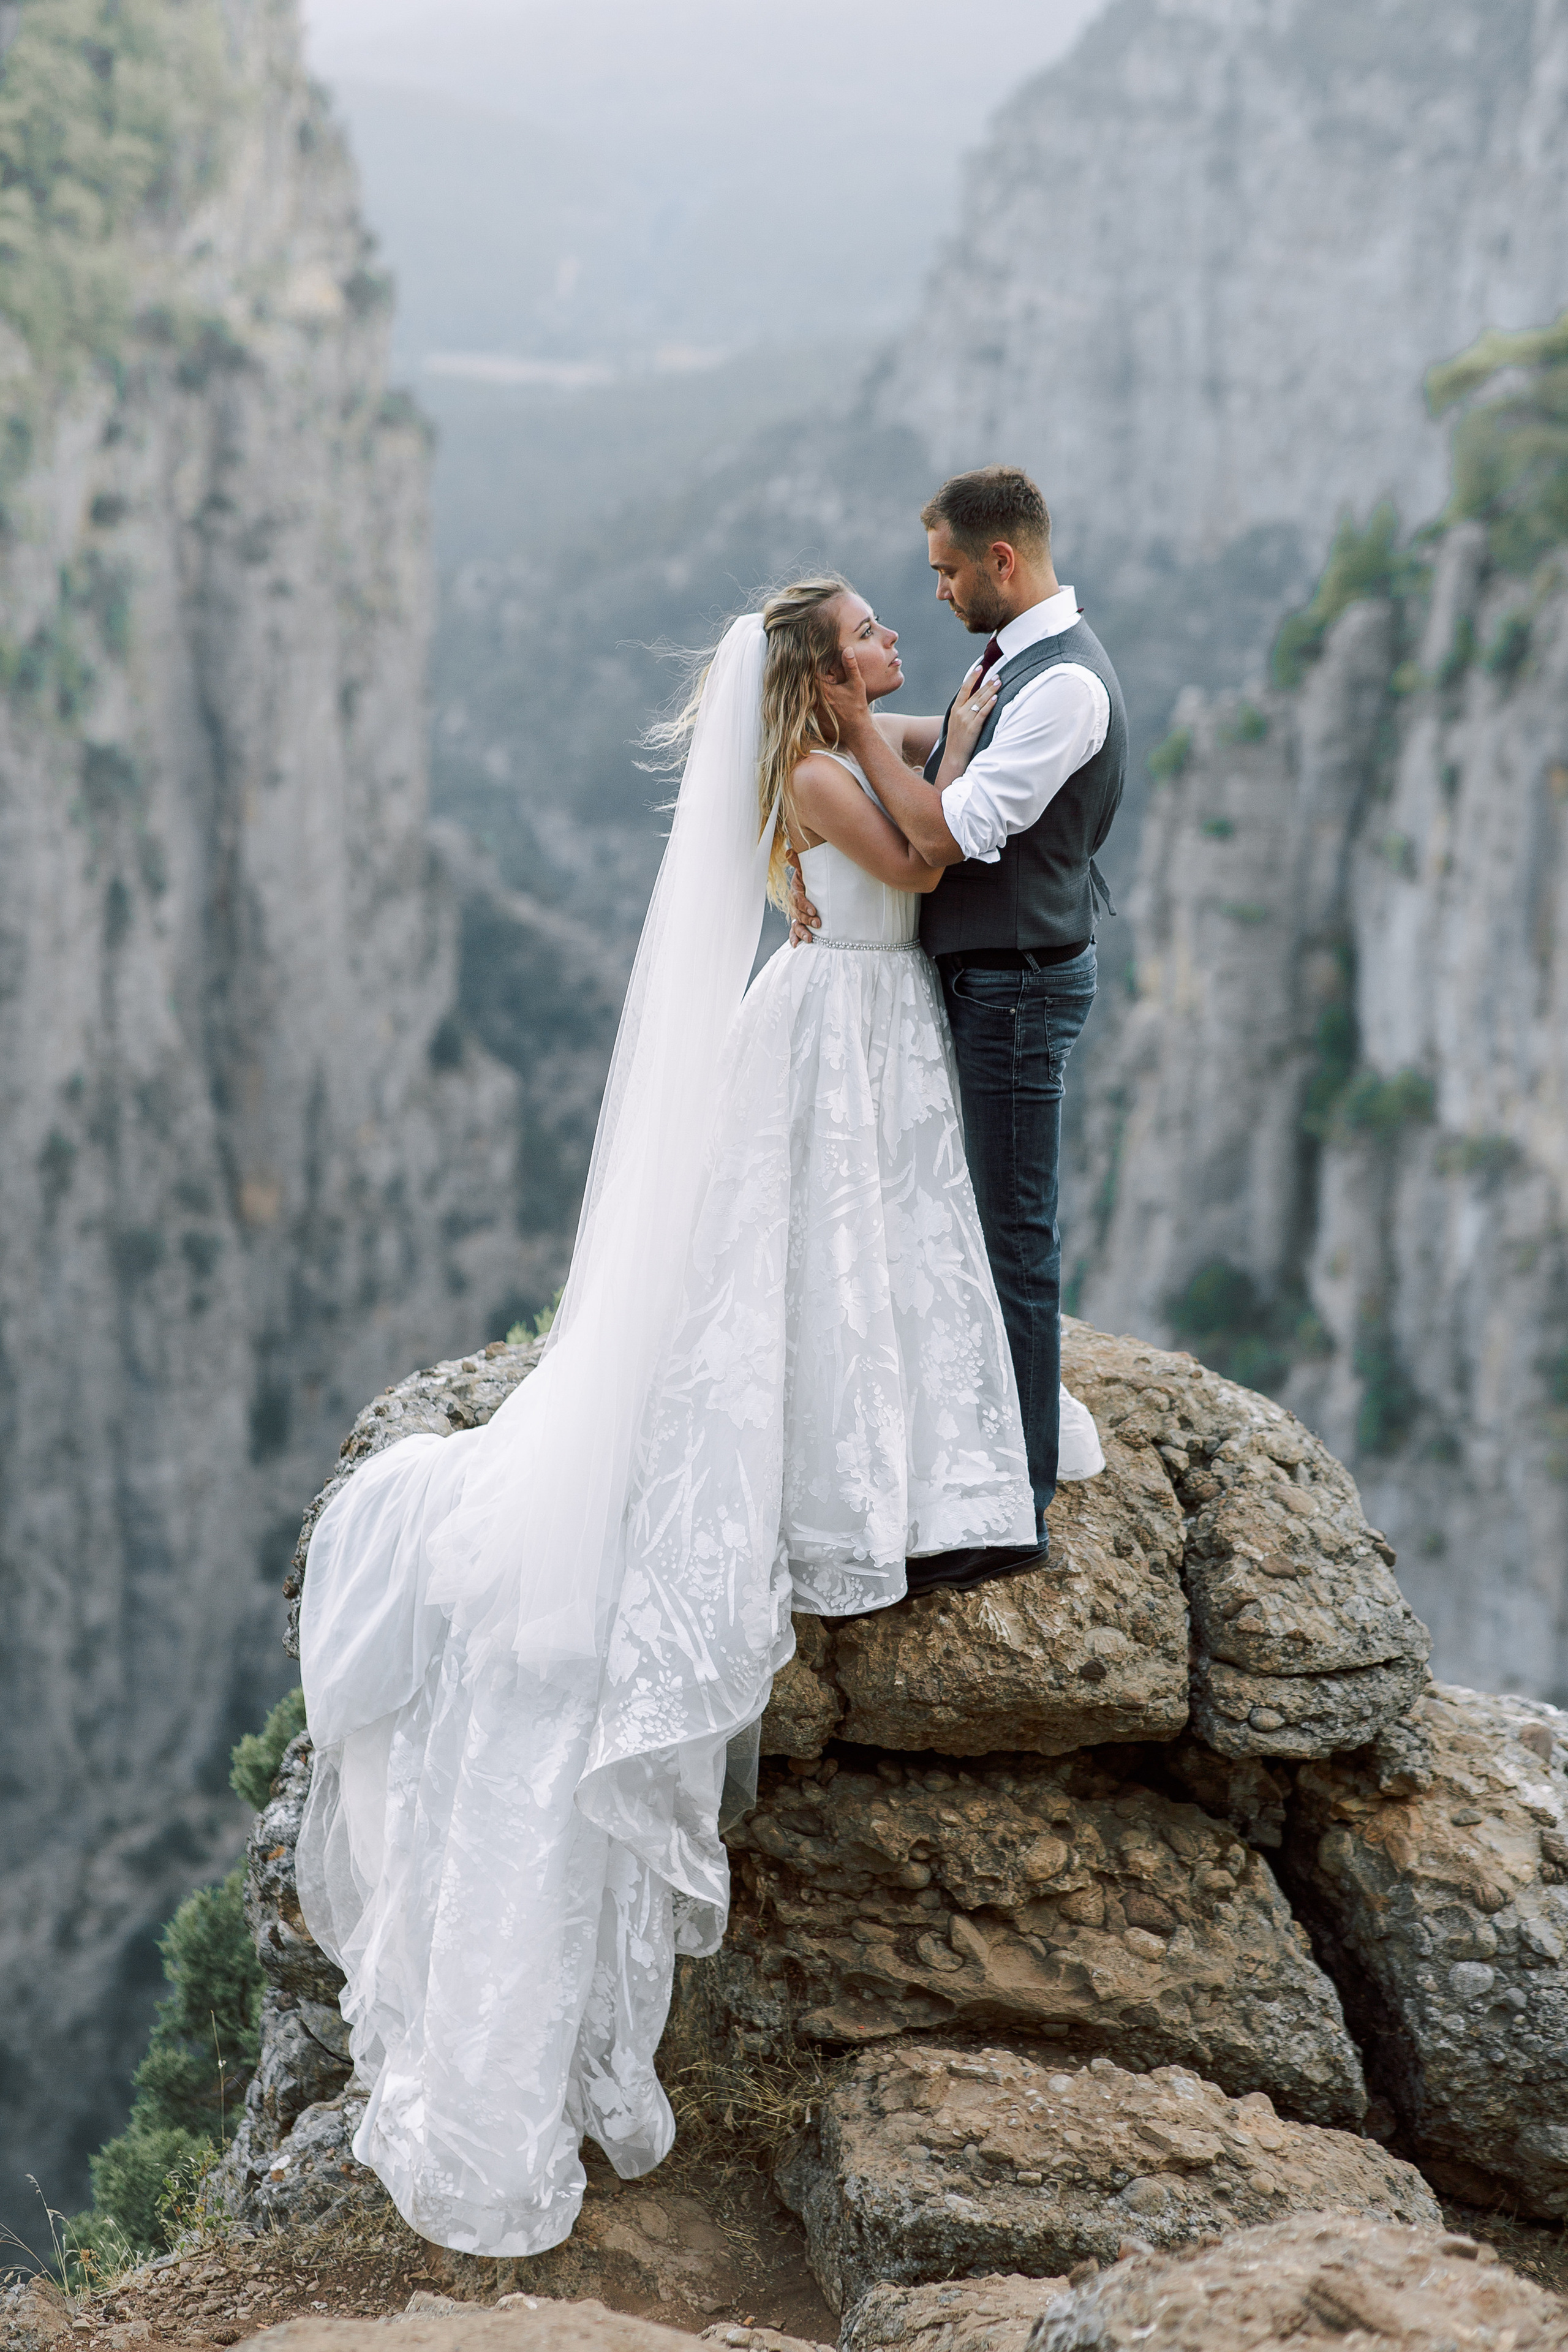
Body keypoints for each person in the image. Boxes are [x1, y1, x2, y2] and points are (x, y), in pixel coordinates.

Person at [293, 577, 1104, 2264]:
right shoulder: (820, 776)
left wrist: (946, 729)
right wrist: (938, 763)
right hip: (830, 1034)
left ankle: (896, 1436)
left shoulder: (855, 736)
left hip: (881, 1037)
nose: (898, 648)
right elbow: (929, 857)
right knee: (791, 1272)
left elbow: (935, 772)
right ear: (818, 671)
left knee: (873, 1262)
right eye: (872, 636)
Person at [791, 466, 1126, 1586]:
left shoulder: (1068, 689)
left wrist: (856, 735)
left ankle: (1016, 1498)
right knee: (959, 1225)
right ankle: (965, 1458)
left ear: (1000, 562)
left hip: (1020, 987)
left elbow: (942, 835)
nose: (931, 595)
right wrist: (828, 735)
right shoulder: (1012, 664)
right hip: (977, 985)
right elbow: (932, 745)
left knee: (1011, 1236)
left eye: (943, 572)